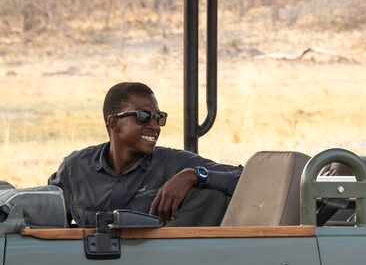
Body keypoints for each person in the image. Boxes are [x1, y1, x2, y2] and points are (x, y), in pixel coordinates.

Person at [48, 82, 243, 227]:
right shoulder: (74, 169)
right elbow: (48, 222)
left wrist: (195, 176)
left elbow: (248, 178)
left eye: (159, 118)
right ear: (113, 122)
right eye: (143, 117)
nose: (154, 126)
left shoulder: (173, 163)